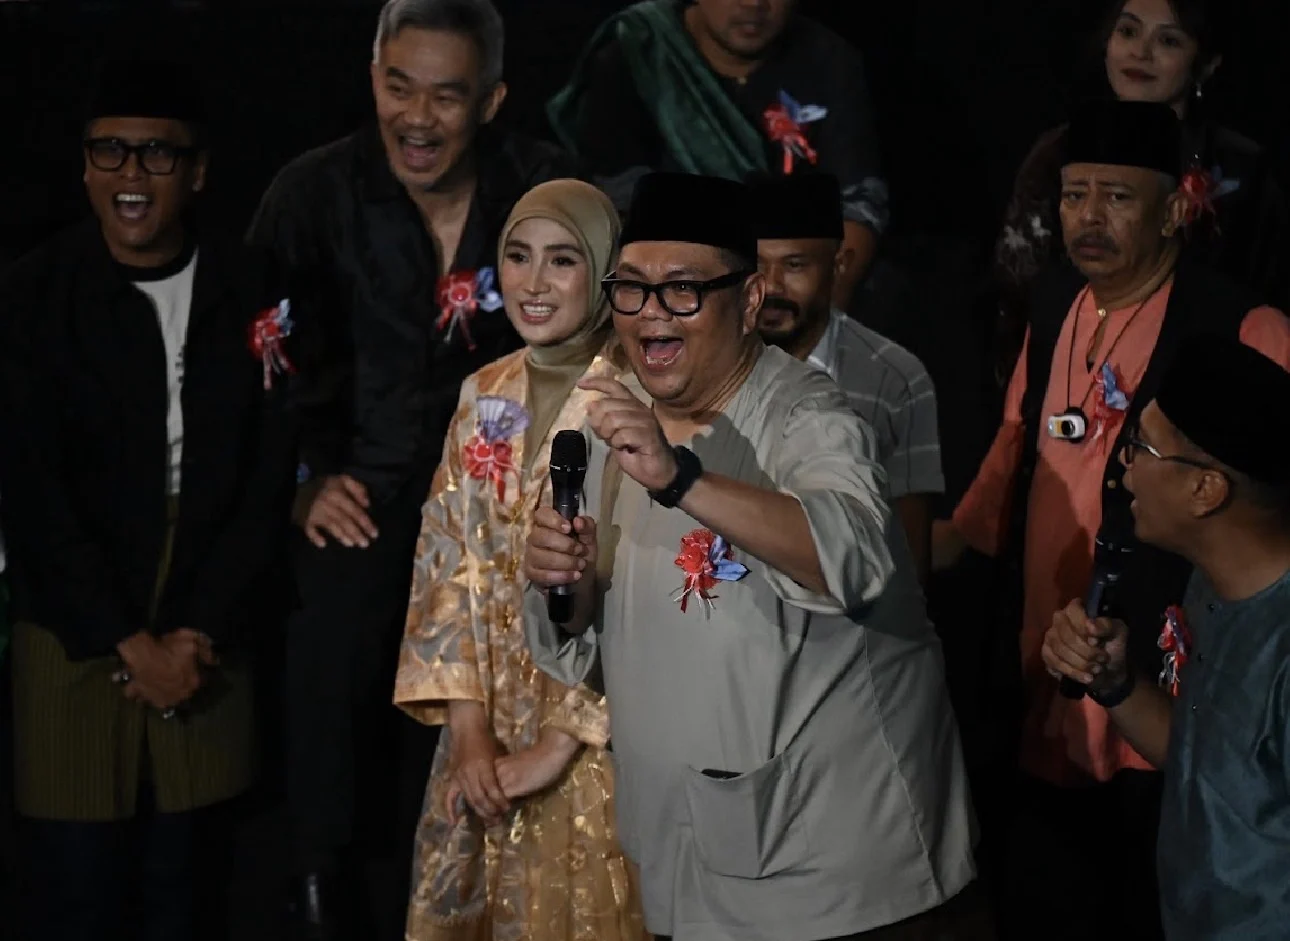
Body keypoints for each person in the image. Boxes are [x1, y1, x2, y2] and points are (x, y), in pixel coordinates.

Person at [522, 172, 980, 940]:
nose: (650, 312)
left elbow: (858, 555)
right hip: (682, 853)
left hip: (834, 873)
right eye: (630, 288)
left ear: (750, 298)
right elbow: (582, 633)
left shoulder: (807, 415)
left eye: (682, 290)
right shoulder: (605, 416)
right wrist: (561, 582)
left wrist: (681, 478)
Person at [246, 1, 579, 932]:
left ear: (491, 100)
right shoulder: (310, 194)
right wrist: (303, 482)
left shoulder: (544, 187)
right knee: (330, 700)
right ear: (373, 79)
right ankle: (322, 896)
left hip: (503, 513)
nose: (418, 119)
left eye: (445, 96)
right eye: (400, 88)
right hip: (363, 498)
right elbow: (250, 360)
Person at [933, 99, 1290, 939]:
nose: (1088, 218)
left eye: (1118, 197)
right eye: (1074, 195)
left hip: (1182, 679)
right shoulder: (1055, 299)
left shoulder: (1241, 325)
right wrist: (931, 544)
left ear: (1174, 209)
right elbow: (1014, 450)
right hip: (1052, 664)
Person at [0, 59, 295, 941]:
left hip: (210, 606)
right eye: (111, 152)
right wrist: (129, 641)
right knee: (77, 886)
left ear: (197, 171)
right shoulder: (31, 293)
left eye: (158, 155)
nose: (132, 174)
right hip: (74, 617)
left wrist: (197, 629)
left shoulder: (254, 286)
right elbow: (30, 491)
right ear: (86, 166)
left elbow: (268, 472)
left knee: (189, 882)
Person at [393, 179, 645, 940]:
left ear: (605, 272)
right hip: (487, 741)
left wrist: (559, 744)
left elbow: (648, 594)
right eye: (518, 256)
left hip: (601, 745)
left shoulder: (638, 399)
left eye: (563, 259)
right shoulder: (485, 392)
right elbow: (448, 563)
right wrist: (470, 731)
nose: (534, 282)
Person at [1042, 335, 1290, 941]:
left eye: (1141, 447)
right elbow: (1206, 763)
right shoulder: (1210, 584)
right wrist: (1116, 683)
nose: (1124, 467)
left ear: (1206, 490)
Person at [992, 0, 1289, 384]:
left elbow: (1264, 294)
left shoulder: (1241, 168)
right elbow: (1018, 293)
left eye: (1168, 41)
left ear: (1206, 65)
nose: (1140, 53)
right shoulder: (1058, 153)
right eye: (1128, 32)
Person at [547, 0, 886, 309]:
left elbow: (860, 203)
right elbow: (616, 207)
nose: (754, 4)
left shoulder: (829, 59)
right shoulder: (641, 50)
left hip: (794, 284)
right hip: (674, 284)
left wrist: (820, 315)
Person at [753, 172, 943, 585]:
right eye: (757, 266)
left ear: (838, 265)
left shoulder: (894, 379)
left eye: (794, 265)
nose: (771, 286)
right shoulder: (706, 363)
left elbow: (909, 558)